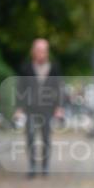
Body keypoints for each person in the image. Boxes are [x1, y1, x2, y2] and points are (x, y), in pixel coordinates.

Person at [15, 38, 65, 178]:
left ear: (47, 52)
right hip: (30, 109)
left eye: (43, 50)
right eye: (38, 50)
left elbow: (59, 88)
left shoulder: (54, 68)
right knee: (30, 137)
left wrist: (59, 107)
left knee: (46, 138)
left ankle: (45, 166)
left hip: (48, 108)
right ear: (33, 52)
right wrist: (19, 108)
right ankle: (31, 166)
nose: (41, 53)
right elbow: (20, 89)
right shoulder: (26, 68)